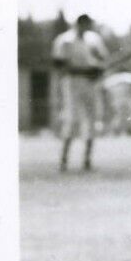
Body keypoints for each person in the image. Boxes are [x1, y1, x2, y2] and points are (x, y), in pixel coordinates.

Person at [51, 13, 109, 171]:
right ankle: (64, 160)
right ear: (78, 24)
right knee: (72, 118)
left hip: (90, 83)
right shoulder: (65, 40)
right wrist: (83, 70)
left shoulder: (94, 39)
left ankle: (87, 160)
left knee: (91, 118)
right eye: (84, 24)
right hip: (72, 81)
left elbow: (103, 59)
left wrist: (97, 70)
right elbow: (59, 64)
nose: (87, 27)